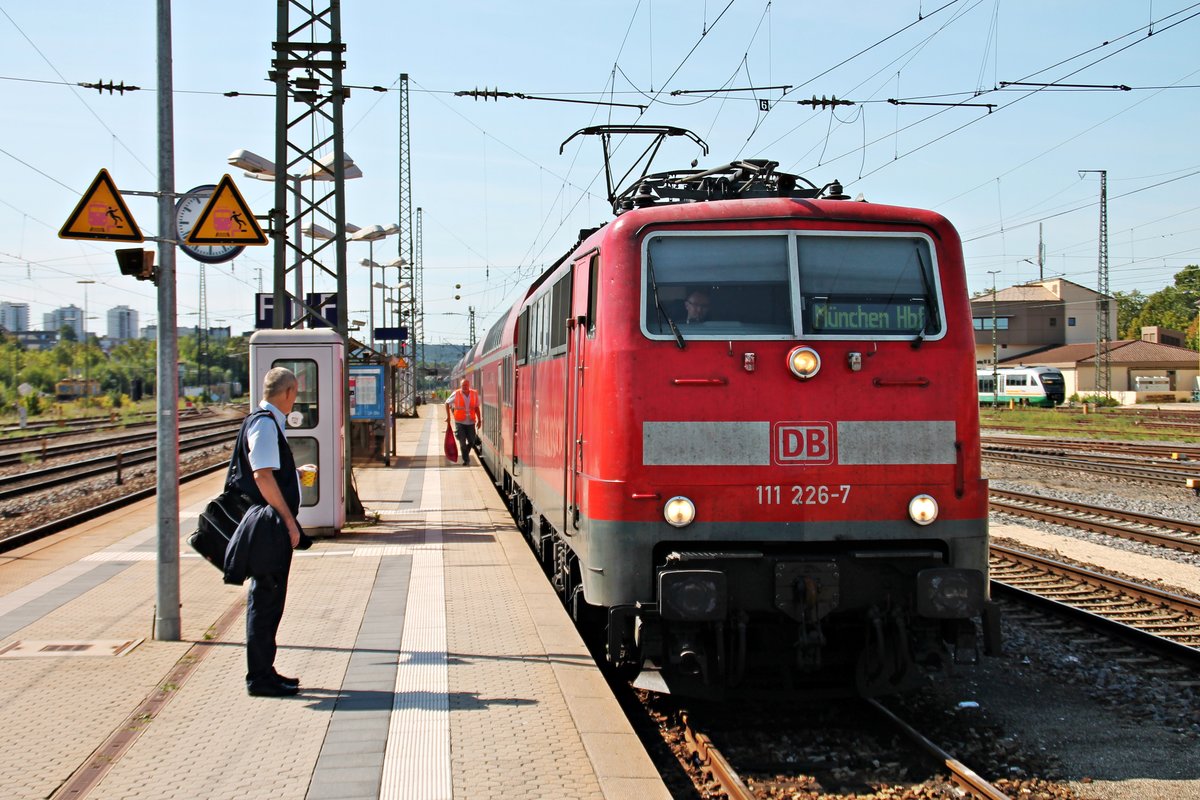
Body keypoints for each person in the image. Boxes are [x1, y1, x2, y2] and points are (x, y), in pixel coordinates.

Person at [223, 367, 311, 698]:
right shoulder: (263, 423)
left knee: (271, 600)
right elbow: (262, 476)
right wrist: (289, 521)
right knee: (265, 600)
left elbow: (269, 472)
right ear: (288, 393)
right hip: (267, 528)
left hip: (268, 525)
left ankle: (266, 671)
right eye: (295, 394)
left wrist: (293, 474)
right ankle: (259, 678)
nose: (295, 399)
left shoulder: (266, 422)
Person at [445, 377, 482, 466]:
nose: (464, 387)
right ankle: (466, 460)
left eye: (465, 385)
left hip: (471, 421)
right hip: (460, 421)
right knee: (462, 441)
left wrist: (479, 420)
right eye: (462, 385)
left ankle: (465, 454)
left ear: (469, 385)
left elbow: (476, 408)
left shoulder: (474, 393)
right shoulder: (456, 393)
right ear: (460, 386)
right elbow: (447, 403)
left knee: (472, 441)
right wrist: (448, 417)